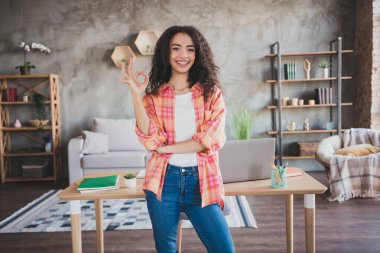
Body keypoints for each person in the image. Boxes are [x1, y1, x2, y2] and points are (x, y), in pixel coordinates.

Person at [119, 25, 235, 253]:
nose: (183, 55)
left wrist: (165, 149)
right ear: (166, 52)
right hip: (164, 180)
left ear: (198, 54)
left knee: (224, 249)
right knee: (167, 249)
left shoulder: (212, 94)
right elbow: (150, 139)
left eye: (190, 49)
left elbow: (208, 140)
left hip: (201, 181)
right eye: (176, 48)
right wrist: (136, 94)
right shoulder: (153, 98)